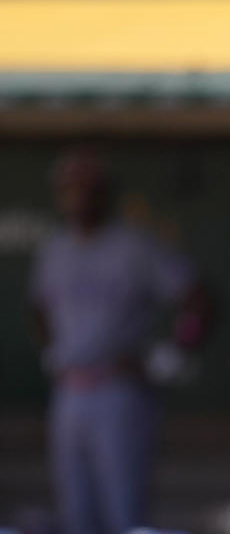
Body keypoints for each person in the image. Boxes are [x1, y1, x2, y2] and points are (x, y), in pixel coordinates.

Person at [28, 149, 210, 534]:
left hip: (119, 390)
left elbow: (198, 298)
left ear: (105, 193)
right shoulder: (56, 248)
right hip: (68, 391)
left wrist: (174, 353)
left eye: (85, 188)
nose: (76, 197)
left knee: (123, 516)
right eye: (68, 189)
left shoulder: (133, 245)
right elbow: (38, 305)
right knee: (75, 515)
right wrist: (49, 350)